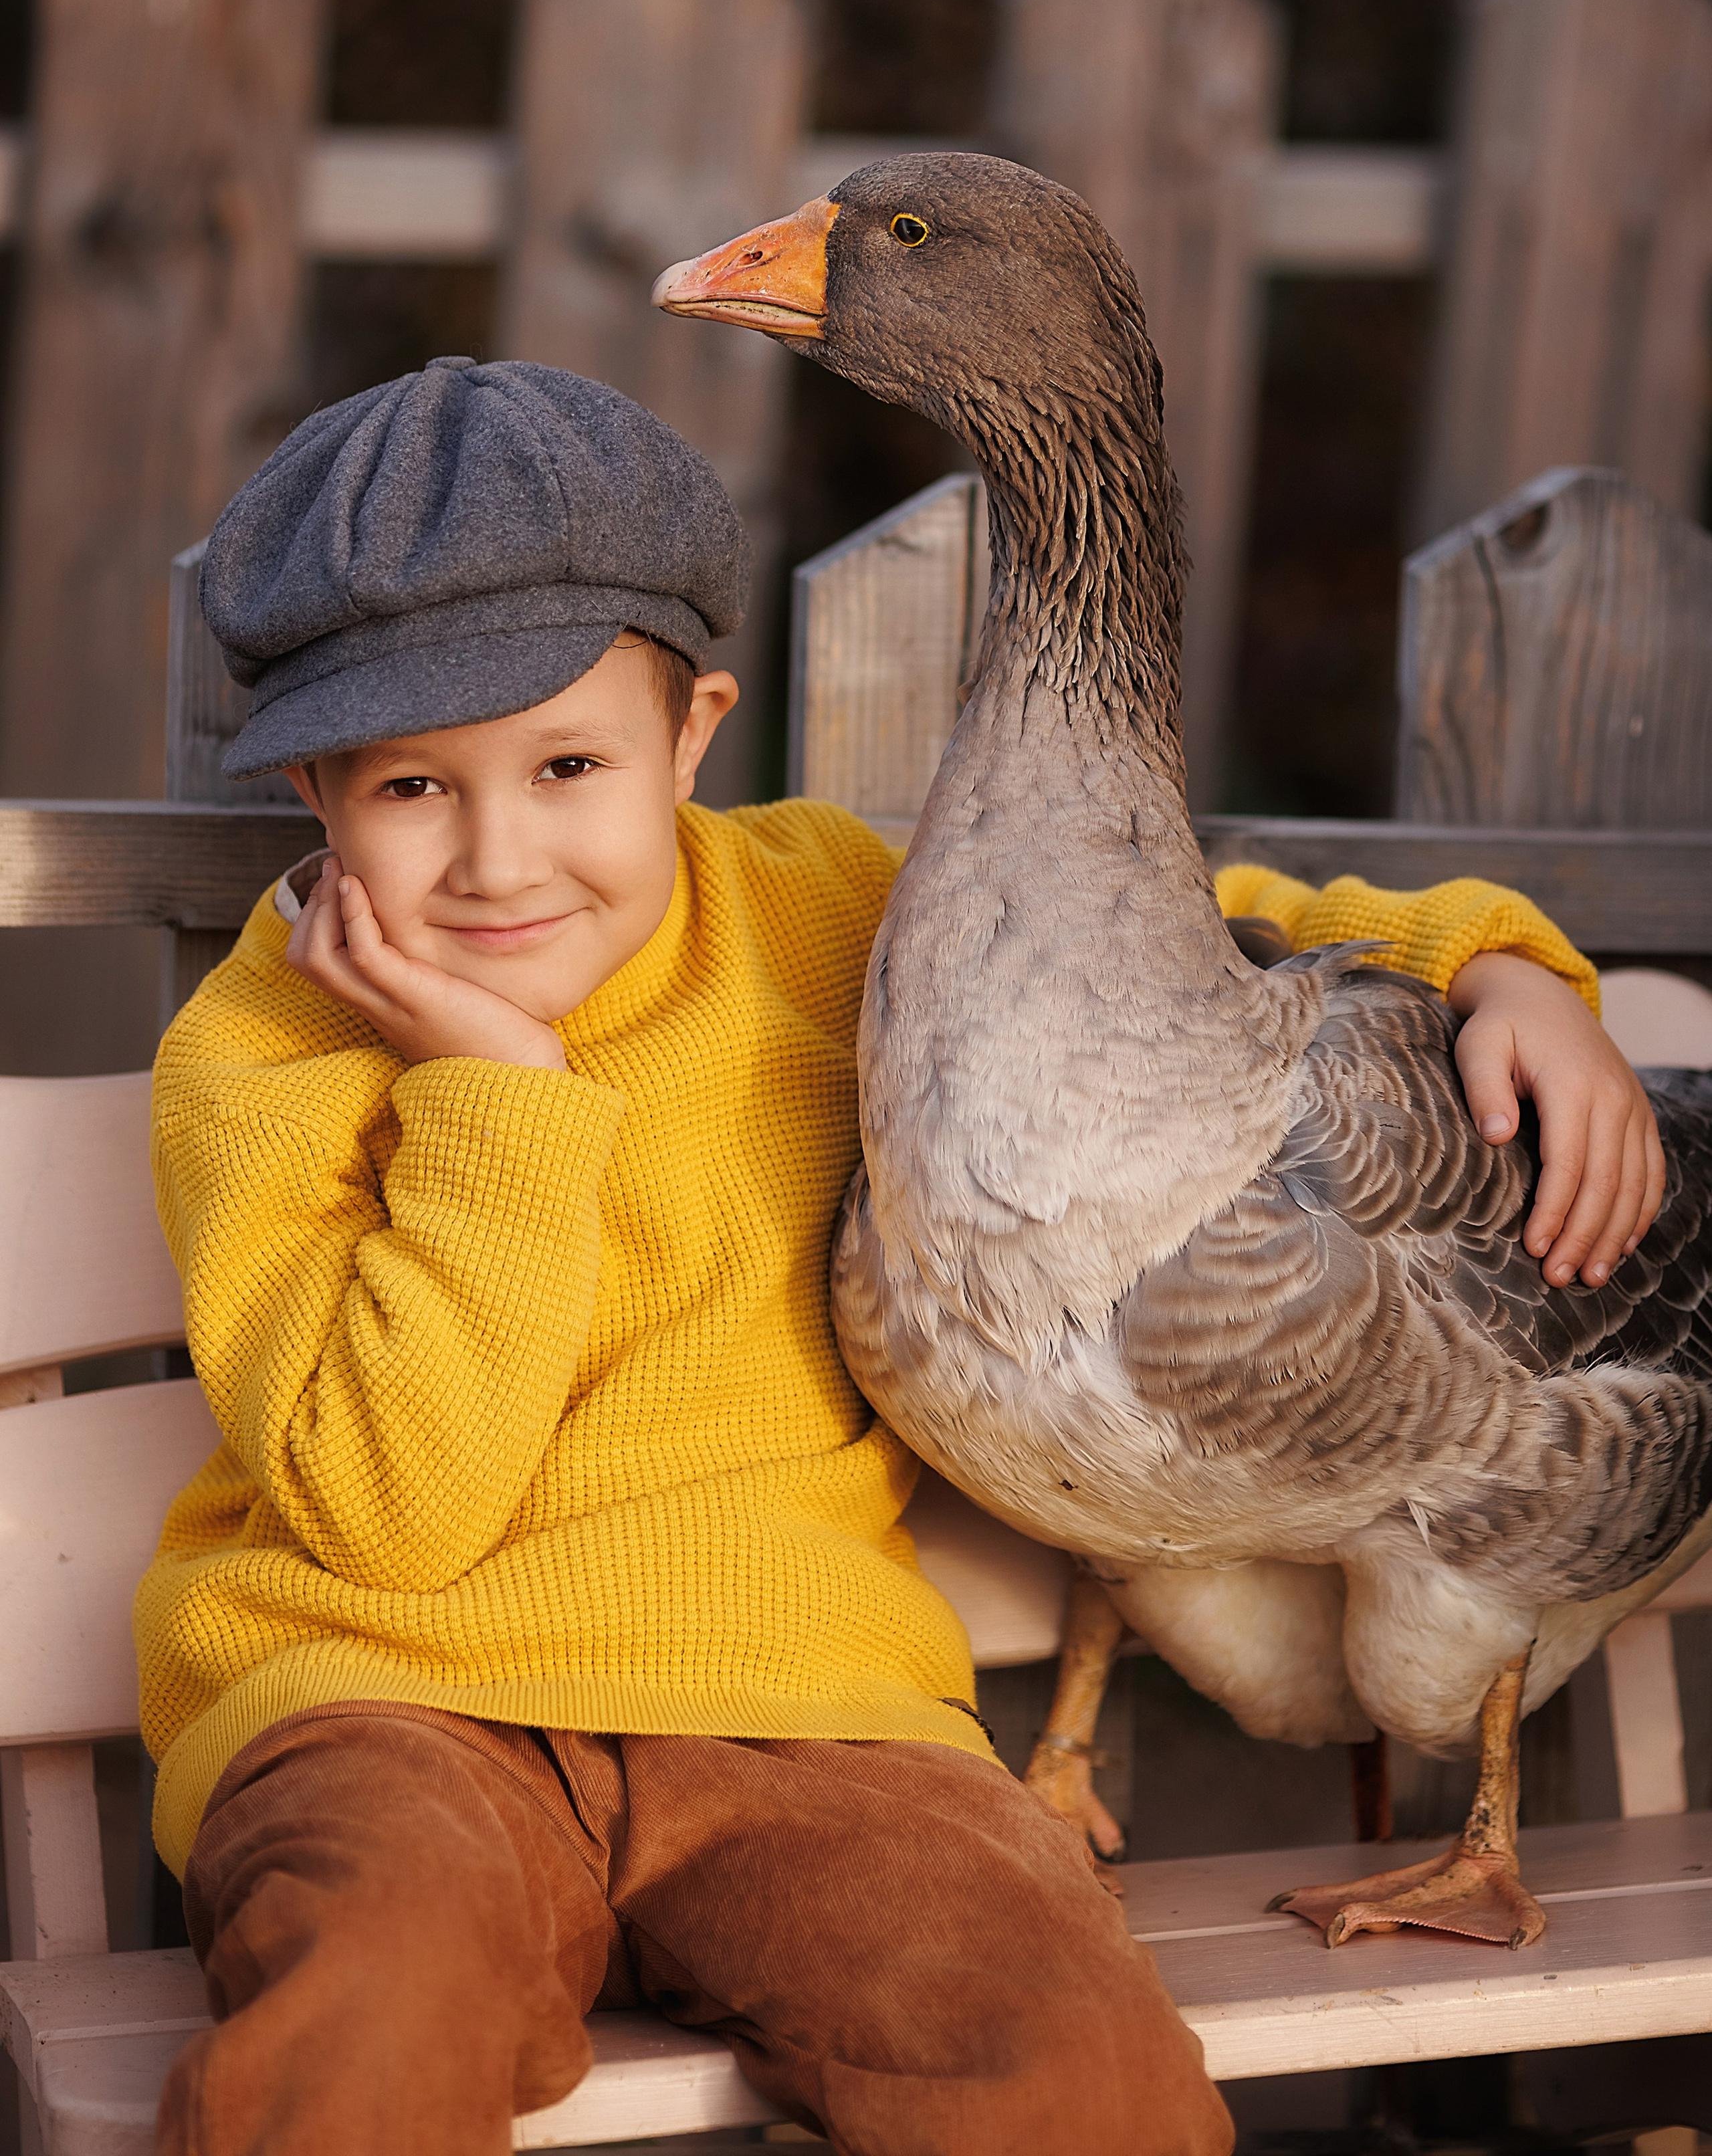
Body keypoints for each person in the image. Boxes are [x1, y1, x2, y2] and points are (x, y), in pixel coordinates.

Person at [139, 356, 1662, 2156]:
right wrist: (495, 1103)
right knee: (371, 2022)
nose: (496, 858)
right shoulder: (262, 1058)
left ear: (693, 733)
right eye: (411, 790)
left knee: (1073, 2067)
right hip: (383, 1710)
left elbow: (1200, 923)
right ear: (316, 788)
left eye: (567, 766)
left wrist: (1497, 967)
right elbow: (396, 1513)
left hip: (813, 1721)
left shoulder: (828, 911)